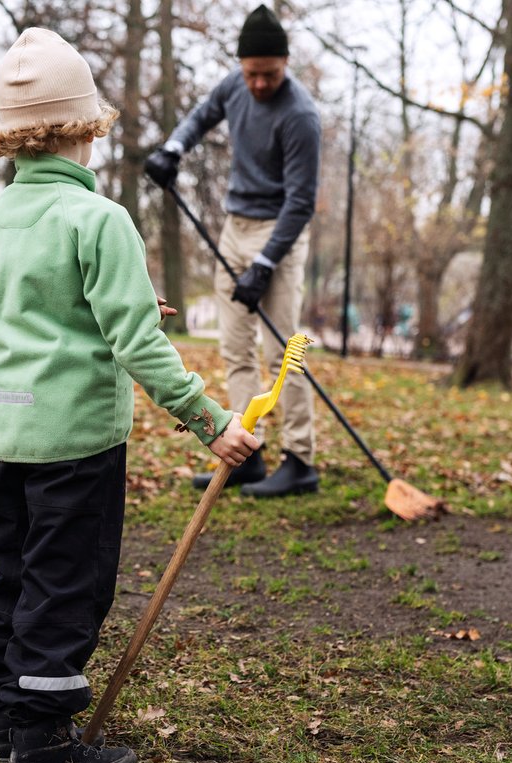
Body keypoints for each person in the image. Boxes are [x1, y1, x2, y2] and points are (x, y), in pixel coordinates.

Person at [0, 27, 260, 763]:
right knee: (67, 586)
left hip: (9, 433)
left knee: (14, 575)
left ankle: (1, 721)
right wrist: (211, 420)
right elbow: (136, 343)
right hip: (76, 445)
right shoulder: (100, 220)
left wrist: (123, 307)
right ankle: (43, 745)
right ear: (85, 129)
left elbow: (12, 318)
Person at [145, 4, 322, 498]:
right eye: (251, 74)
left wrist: (265, 266)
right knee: (236, 350)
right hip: (234, 227)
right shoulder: (234, 85)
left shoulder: (300, 116)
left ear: (284, 65)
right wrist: (173, 150)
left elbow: (302, 202)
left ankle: (301, 461)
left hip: (279, 233)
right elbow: (202, 116)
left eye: (269, 74)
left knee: (283, 351)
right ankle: (251, 453)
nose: (259, 84)